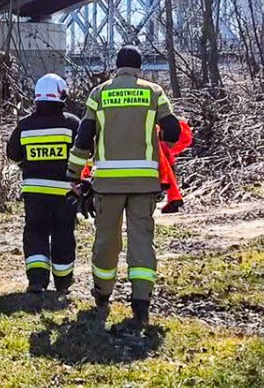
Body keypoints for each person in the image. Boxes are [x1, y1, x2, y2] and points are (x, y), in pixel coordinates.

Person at [67, 46, 181, 331]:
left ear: (116, 67)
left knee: (107, 241)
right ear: (139, 67)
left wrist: (73, 173)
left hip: (108, 185)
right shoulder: (153, 92)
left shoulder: (99, 94)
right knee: (142, 241)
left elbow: (84, 137)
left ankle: (102, 297)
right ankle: (141, 304)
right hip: (144, 184)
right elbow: (173, 131)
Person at [6, 72, 81, 293]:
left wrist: (27, 165)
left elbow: (12, 154)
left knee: (35, 234)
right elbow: (85, 153)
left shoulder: (25, 125)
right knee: (63, 236)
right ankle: (63, 282)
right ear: (62, 95)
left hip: (34, 193)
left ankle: (37, 281)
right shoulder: (71, 124)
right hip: (64, 194)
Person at [159, 115, 192, 214]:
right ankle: (174, 196)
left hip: (170, 135)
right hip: (176, 134)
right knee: (166, 159)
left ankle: (170, 191)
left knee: (163, 157)